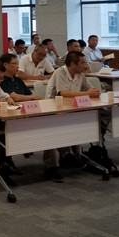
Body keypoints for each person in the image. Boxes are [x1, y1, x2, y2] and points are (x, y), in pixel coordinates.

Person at [43, 51, 101, 182]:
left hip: (71, 109)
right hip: (53, 110)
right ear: (73, 64)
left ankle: (70, 155)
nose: (85, 66)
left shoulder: (80, 74)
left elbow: (90, 89)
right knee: (52, 131)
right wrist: (88, 94)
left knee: (81, 123)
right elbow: (63, 93)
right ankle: (51, 166)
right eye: (82, 63)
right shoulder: (60, 72)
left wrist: (93, 92)